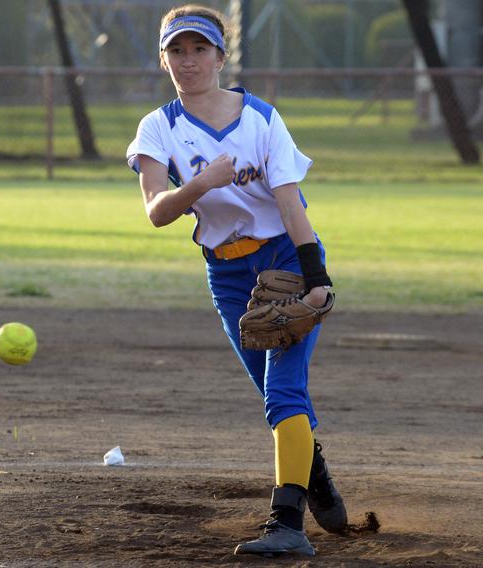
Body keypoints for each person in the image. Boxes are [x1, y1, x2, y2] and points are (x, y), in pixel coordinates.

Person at [126, 4, 347, 557]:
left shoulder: (261, 119)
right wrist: (200, 183)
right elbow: (156, 211)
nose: (189, 60)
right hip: (226, 272)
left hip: (284, 259)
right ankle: (314, 475)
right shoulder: (159, 126)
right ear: (163, 58)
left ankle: (287, 523)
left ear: (221, 57)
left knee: (283, 392)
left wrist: (316, 278)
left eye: (200, 49)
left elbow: (291, 206)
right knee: (271, 392)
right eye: (177, 50)